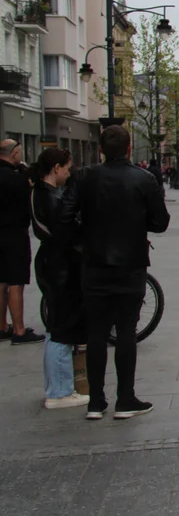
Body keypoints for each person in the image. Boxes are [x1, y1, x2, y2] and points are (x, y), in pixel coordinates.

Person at [61, 125, 170, 420]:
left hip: (94, 265)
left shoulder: (85, 177)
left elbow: (64, 216)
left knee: (96, 332)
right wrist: (136, 222)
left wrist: (83, 239)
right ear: (129, 148)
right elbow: (161, 222)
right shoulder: (143, 178)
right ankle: (125, 399)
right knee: (125, 331)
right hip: (131, 265)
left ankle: (95, 402)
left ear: (100, 150)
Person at [30, 148, 88, 409]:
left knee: (56, 327)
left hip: (49, 262)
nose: (68, 172)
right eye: (66, 168)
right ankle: (60, 391)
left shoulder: (40, 193)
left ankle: (57, 388)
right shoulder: (50, 198)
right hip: (58, 265)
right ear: (55, 168)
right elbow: (66, 232)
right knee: (61, 328)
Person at [0, 139, 44, 344]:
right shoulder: (17, 180)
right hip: (14, 234)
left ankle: (2, 326)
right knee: (16, 283)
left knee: (1, 282)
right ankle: (18, 330)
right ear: (15, 153)